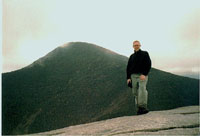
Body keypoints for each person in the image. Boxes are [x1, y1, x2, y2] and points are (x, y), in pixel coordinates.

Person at [126, 40, 152, 115]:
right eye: (135, 45)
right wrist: (128, 78)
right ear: (133, 47)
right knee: (135, 92)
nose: (136, 46)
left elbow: (148, 64)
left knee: (142, 89)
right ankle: (139, 109)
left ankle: (143, 107)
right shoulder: (131, 56)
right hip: (133, 76)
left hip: (142, 75)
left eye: (137, 45)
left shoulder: (145, 53)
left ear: (140, 45)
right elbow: (128, 67)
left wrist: (144, 74)